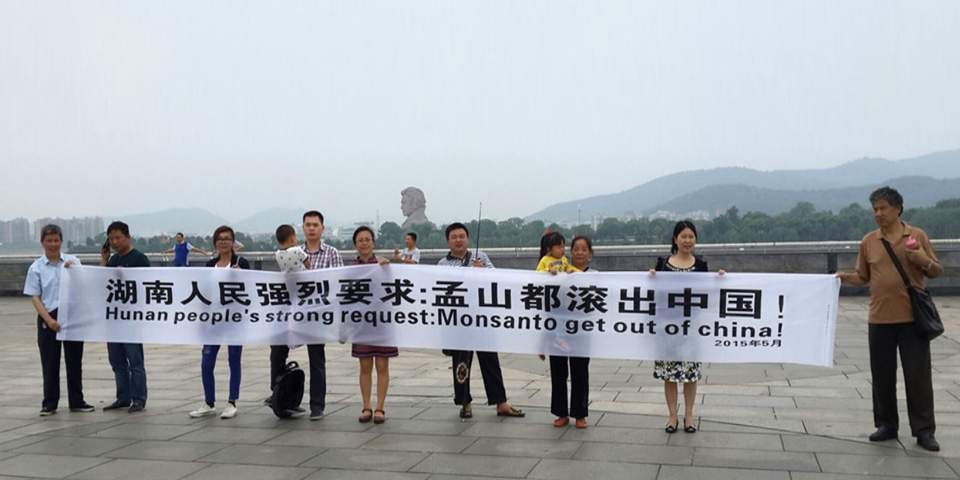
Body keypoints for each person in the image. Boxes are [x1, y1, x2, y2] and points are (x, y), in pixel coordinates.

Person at [837, 186, 943, 451]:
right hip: (879, 318)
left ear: (898, 208)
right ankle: (886, 424)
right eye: (875, 209)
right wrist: (844, 278)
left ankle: (924, 430)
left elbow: (936, 270)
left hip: (912, 319)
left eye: (883, 208)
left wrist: (922, 259)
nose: (878, 213)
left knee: (918, 377)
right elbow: (863, 276)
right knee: (882, 375)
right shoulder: (868, 241)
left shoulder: (916, 236)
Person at [438, 222, 524, 419]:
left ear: (467, 238)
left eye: (462, 236)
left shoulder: (481, 257)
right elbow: (441, 289)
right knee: (461, 364)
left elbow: (496, 279)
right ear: (448, 241)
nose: (458, 240)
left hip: (482, 319)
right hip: (459, 322)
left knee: (490, 361)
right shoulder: (443, 264)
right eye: (454, 237)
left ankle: (500, 402)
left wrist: (481, 272)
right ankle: (465, 402)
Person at [267, 210, 343, 420]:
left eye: (315, 224)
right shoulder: (291, 251)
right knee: (277, 349)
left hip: (318, 314)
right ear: (302, 229)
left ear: (322, 228)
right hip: (293, 312)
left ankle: (317, 405)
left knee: (317, 358)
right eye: (307, 225)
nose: (311, 228)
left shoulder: (332, 253)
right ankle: (277, 392)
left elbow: (338, 282)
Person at [649, 220, 723, 434]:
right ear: (675, 239)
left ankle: (689, 416)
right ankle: (672, 417)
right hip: (667, 330)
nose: (687, 240)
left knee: (690, 374)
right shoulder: (663, 264)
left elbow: (708, 294)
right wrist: (651, 279)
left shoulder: (701, 266)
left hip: (691, 330)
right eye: (683, 236)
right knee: (669, 375)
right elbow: (655, 296)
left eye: (691, 236)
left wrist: (719, 280)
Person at [23, 224, 93, 416]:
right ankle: (49, 403)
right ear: (42, 243)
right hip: (48, 315)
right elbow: (35, 296)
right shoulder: (36, 268)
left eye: (56, 240)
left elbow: (86, 285)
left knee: (74, 360)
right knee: (50, 361)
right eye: (49, 241)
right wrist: (48, 319)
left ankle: (77, 400)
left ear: (61, 241)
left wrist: (74, 271)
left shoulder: (73, 261)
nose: (53, 244)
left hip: (72, 315)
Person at [188, 225, 249, 419]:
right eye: (220, 239)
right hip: (213, 320)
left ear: (233, 242)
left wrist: (241, 277)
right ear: (215, 243)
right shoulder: (210, 266)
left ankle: (232, 402)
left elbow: (252, 289)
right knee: (206, 362)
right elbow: (204, 293)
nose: (223, 241)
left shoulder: (241, 263)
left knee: (234, 360)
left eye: (227, 238)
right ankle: (209, 402)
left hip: (235, 320)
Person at [540, 234, 592, 428]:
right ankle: (561, 413)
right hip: (557, 330)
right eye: (575, 249)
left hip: (582, 332)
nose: (579, 252)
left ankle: (580, 414)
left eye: (584, 249)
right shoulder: (557, 270)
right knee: (558, 372)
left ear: (590, 254)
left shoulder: (594, 275)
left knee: (580, 373)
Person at [100, 221, 149, 413]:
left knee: (135, 360)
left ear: (128, 237)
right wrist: (104, 260)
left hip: (132, 319)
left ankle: (139, 398)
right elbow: (101, 284)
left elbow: (147, 288)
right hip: (114, 319)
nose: (114, 242)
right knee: (117, 360)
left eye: (118, 237)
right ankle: (123, 397)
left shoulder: (139, 259)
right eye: (111, 239)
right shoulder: (112, 261)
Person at [350, 226, 395, 424]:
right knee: (365, 365)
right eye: (360, 240)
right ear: (355, 245)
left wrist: (389, 267)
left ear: (373, 243)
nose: (365, 243)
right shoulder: (351, 270)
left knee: (382, 364)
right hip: (362, 324)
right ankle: (366, 406)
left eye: (368, 239)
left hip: (383, 322)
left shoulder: (384, 265)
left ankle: (380, 408)